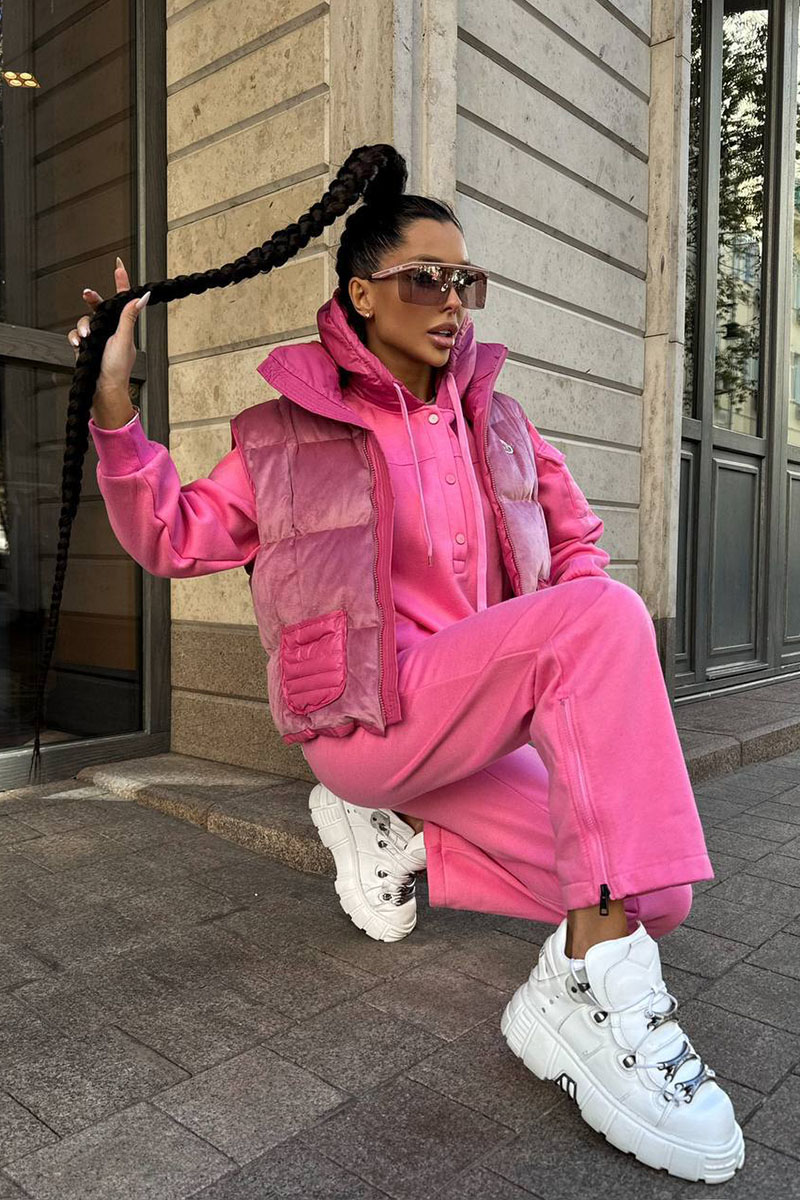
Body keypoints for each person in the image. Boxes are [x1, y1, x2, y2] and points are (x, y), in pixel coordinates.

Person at [57, 144, 743, 1183]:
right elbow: (172, 535)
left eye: (466, 281)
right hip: (365, 720)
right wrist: (114, 402)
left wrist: (565, 669)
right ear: (361, 293)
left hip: (477, 720)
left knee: (656, 893)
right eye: (426, 277)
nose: (452, 300)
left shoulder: (502, 425)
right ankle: (581, 989)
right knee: (600, 632)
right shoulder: (285, 436)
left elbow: (578, 554)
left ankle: (461, 881)